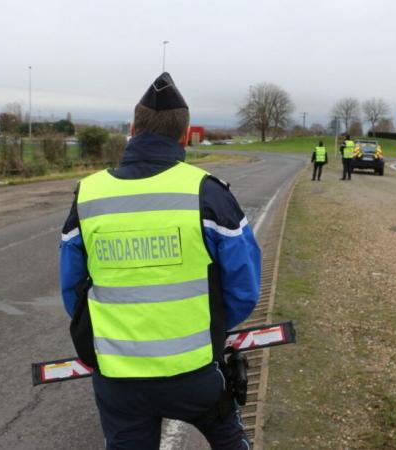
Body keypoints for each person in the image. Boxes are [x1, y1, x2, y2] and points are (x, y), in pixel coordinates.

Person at [59, 72, 261, 450]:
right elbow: (244, 289)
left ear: (132, 130)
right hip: (196, 375)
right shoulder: (209, 193)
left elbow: (72, 291)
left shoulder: (88, 196)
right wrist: (208, 330)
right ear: (185, 136)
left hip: (119, 381)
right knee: (229, 437)